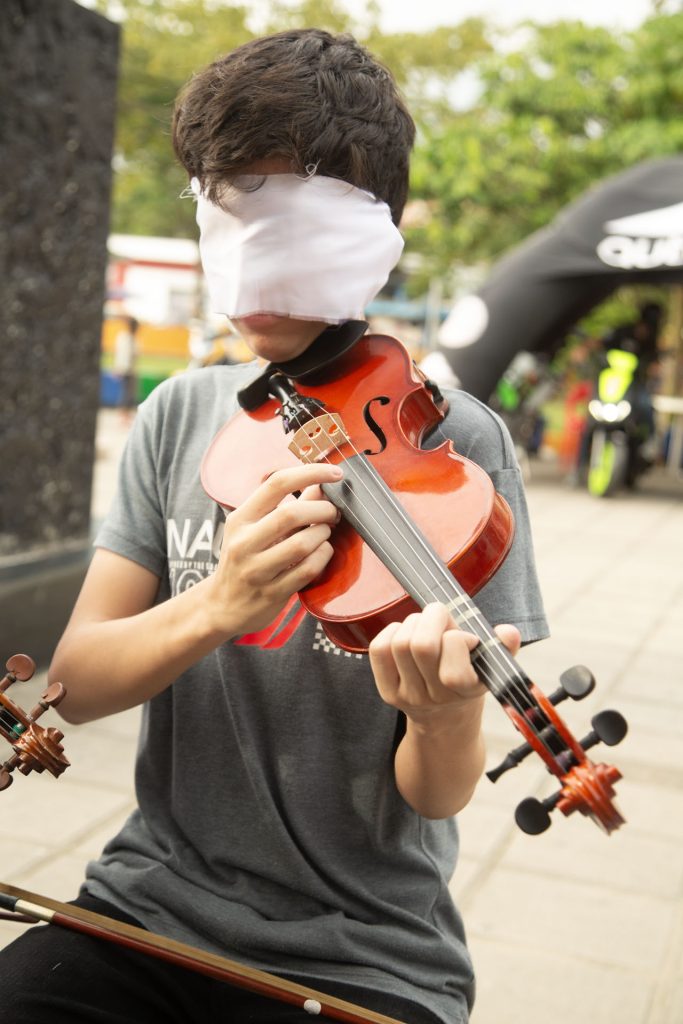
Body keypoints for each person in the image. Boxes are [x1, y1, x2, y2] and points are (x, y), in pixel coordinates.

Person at [0, 29, 548, 1024]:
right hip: (149, 906)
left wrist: (439, 710)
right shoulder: (179, 416)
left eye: (288, 229)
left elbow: (437, 793)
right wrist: (221, 601)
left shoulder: (457, 445)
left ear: (374, 232)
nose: (249, 275)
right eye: (225, 220)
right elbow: (75, 685)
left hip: (364, 950)